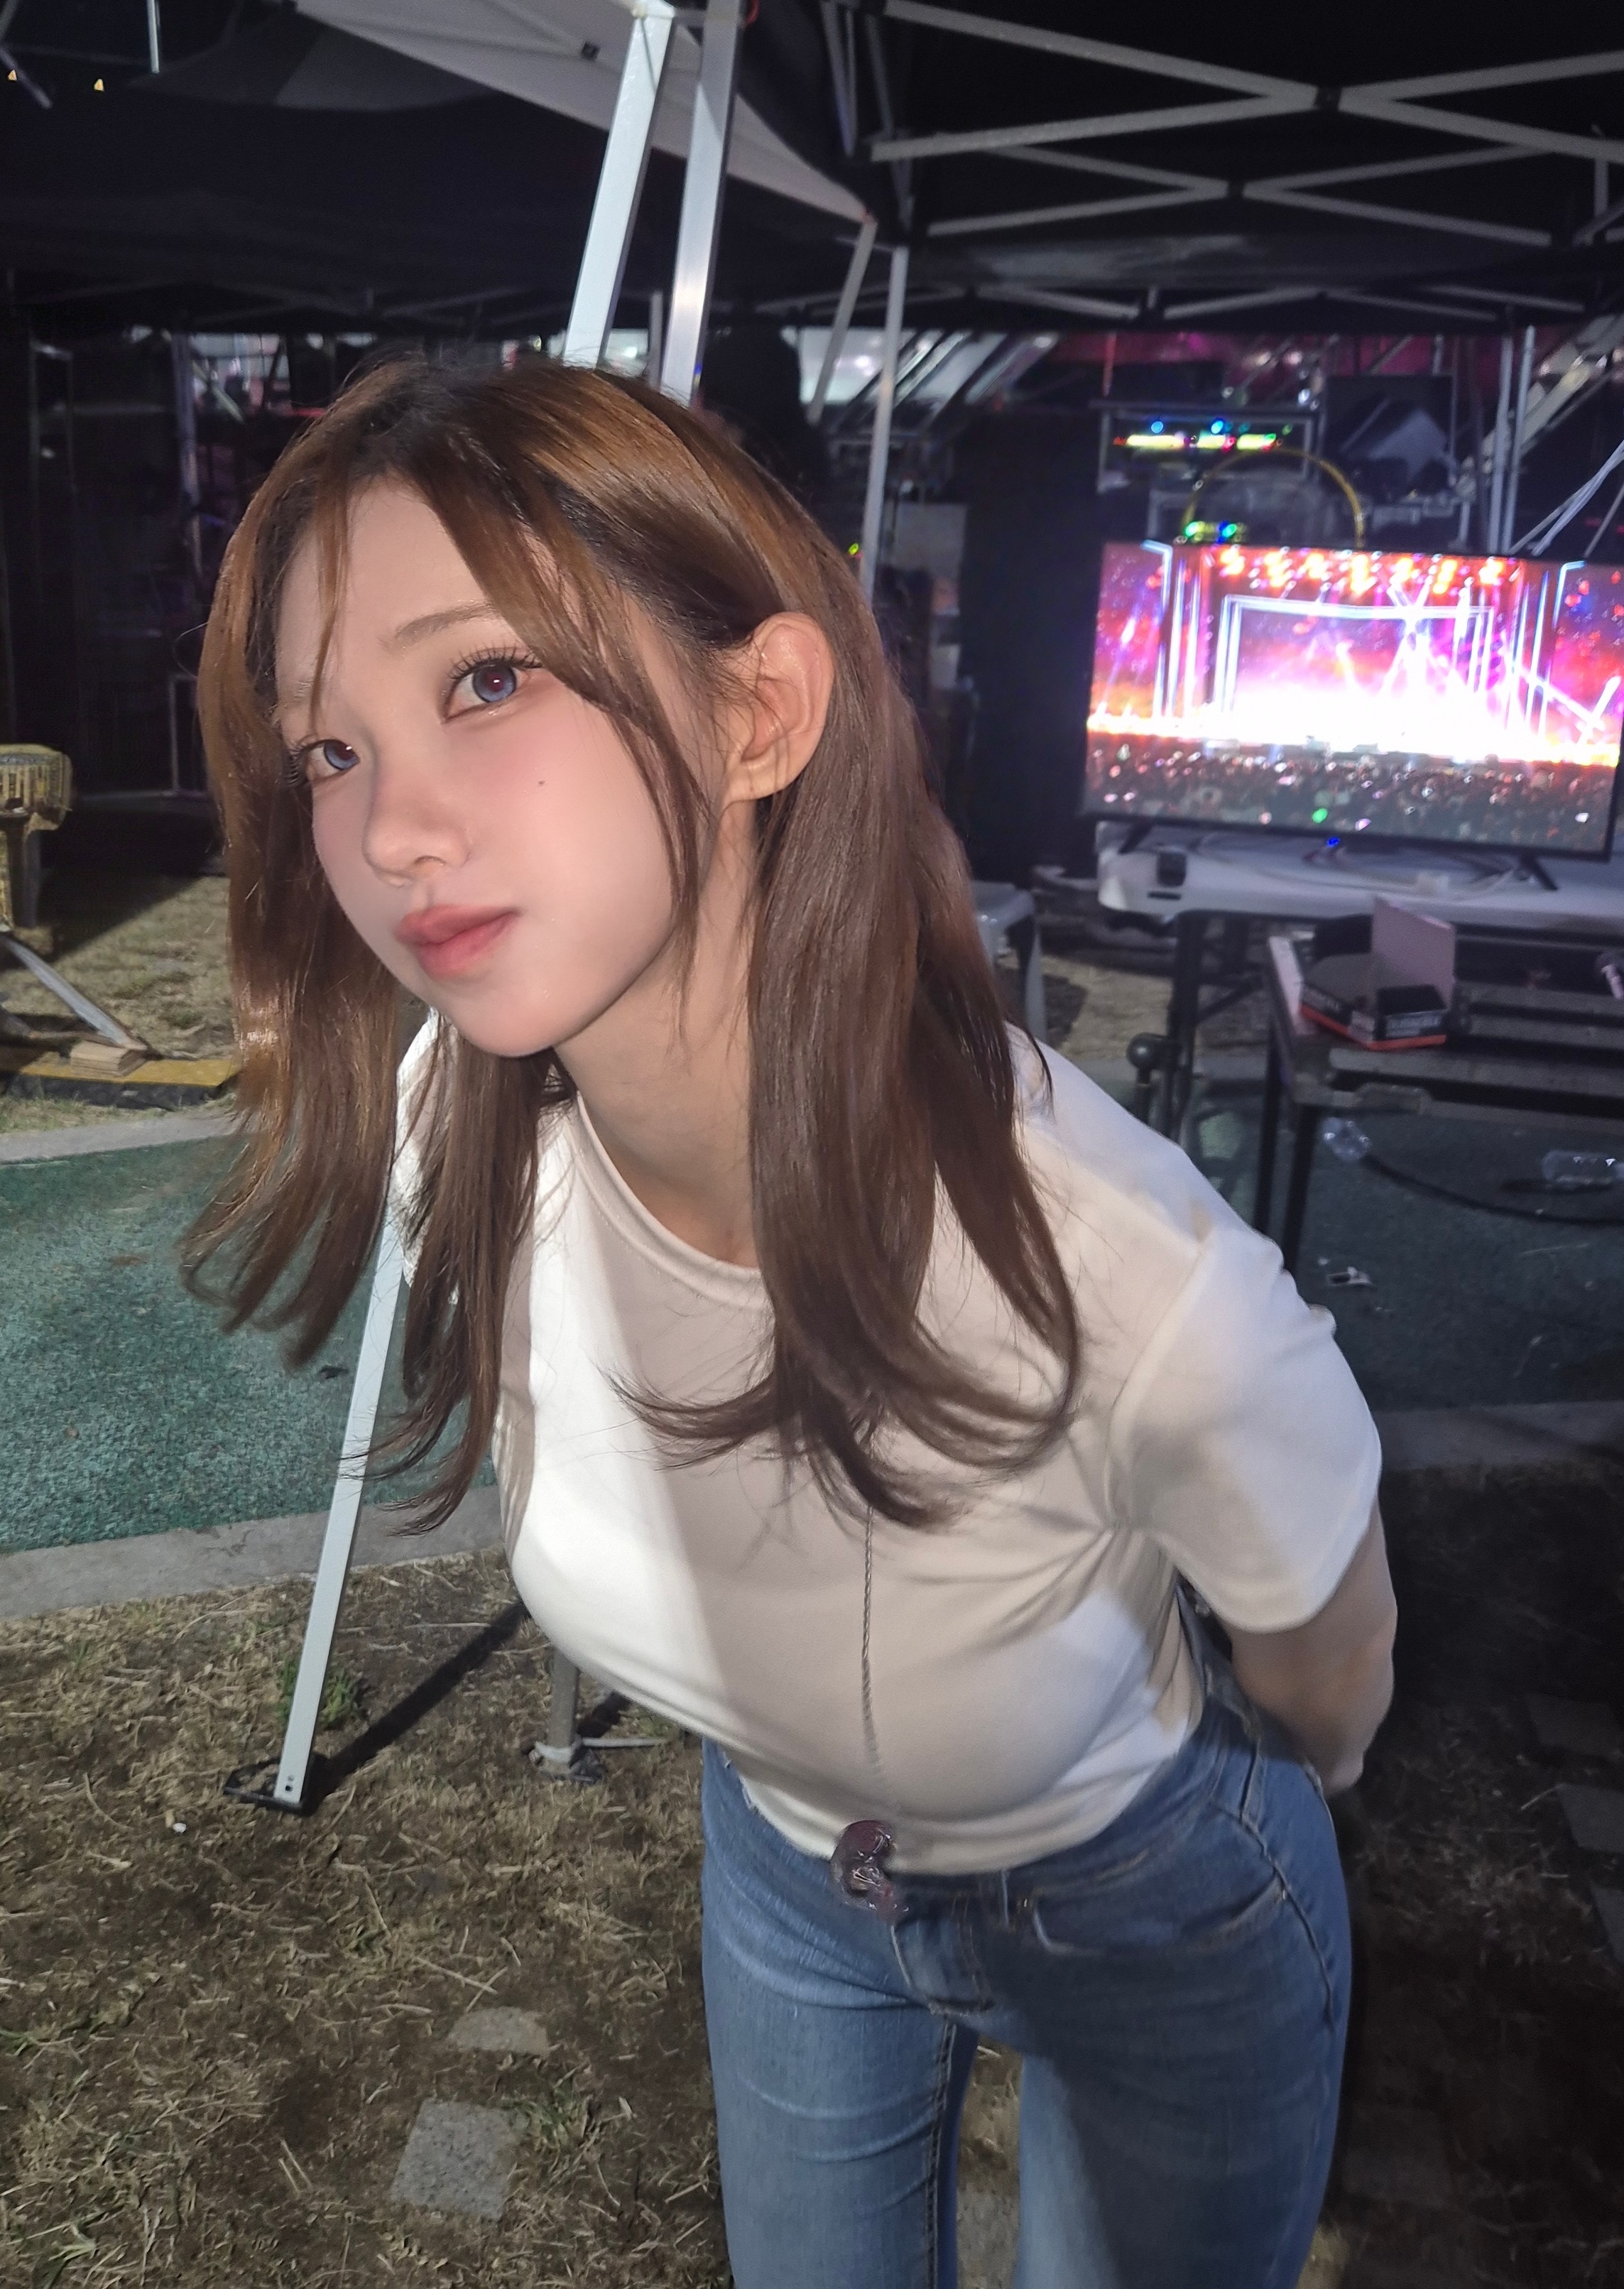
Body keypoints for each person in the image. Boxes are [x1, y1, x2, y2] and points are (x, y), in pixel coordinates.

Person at [187, 357, 1396, 2289]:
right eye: (326, 750)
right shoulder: (457, 1129)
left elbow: (1327, 1661)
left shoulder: (1114, 1270)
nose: (392, 827)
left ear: (758, 713)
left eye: (485, 680)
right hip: (786, 1875)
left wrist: (1276, 1767)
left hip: (1158, 1898)